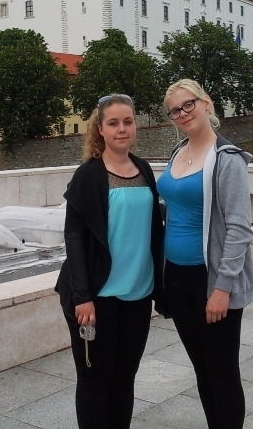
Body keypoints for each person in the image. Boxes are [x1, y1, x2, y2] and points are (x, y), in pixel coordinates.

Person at [55, 93, 165, 429]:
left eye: (128, 122)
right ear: (100, 129)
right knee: (94, 381)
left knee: (124, 378)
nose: (122, 129)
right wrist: (82, 297)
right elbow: (74, 237)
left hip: (137, 295)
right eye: (113, 123)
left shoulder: (144, 169)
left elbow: (154, 231)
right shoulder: (88, 175)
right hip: (97, 297)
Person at [156, 79, 253, 429]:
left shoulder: (227, 159)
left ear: (206, 103)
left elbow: (240, 230)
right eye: (175, 110)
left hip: (210, 279)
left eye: (189, 104)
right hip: (176, 278)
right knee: (201, 368)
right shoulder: (178, 152)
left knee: (223, 372)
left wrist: (222, 288)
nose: (183, 113)